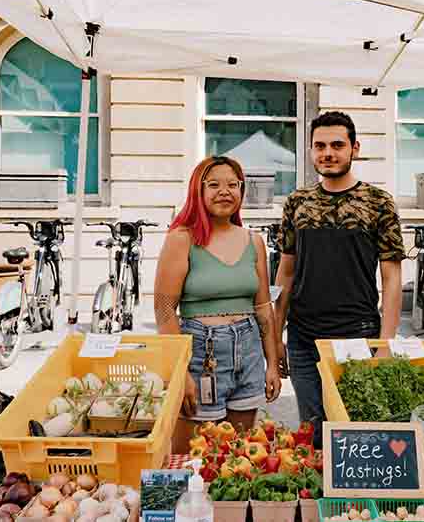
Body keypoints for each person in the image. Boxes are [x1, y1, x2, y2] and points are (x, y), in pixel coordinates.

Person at [274, 111, 405, 447]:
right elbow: (285, 273)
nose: (327, 153)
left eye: (336, 144)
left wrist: (386, 343)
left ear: (354, 148)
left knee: (355, 434)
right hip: (304, 339)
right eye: (319, 146)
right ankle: (321, 499)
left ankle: (354, 502)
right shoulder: (297, 203)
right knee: (313, 433)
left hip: (358, 337)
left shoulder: (378, 203)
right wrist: (275, 337)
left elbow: (392, 279)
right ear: (310, 151)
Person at [154, 156, 282, 451]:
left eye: (232, 185)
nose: (224, 192)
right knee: (191, 455)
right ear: (197, 191)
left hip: (248, 353)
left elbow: (263, 307)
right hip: (200, 353)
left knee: (237, 455)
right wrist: (180, 372)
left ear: (241, 191)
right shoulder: (181, 239)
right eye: (213, 185)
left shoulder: (254, 242)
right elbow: (163, 311)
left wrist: (272, 364)